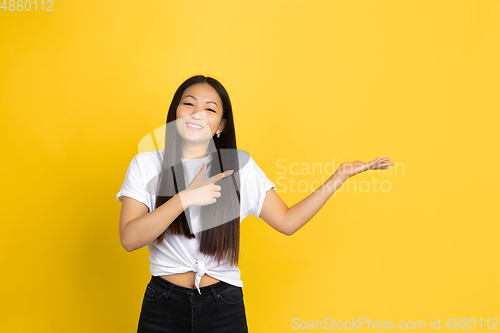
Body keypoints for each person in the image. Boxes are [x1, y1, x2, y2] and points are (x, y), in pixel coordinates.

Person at [116, 75, 393, 333]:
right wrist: (184, 198)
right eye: (188, 104)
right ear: (175, 113)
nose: (197, 114)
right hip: (163, 304)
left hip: (223, 305)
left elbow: (287, 222)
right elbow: (129, 238)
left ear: (221, 126)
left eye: (210, 109)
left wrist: (339, 176)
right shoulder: (147, 164)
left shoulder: (240, 169)